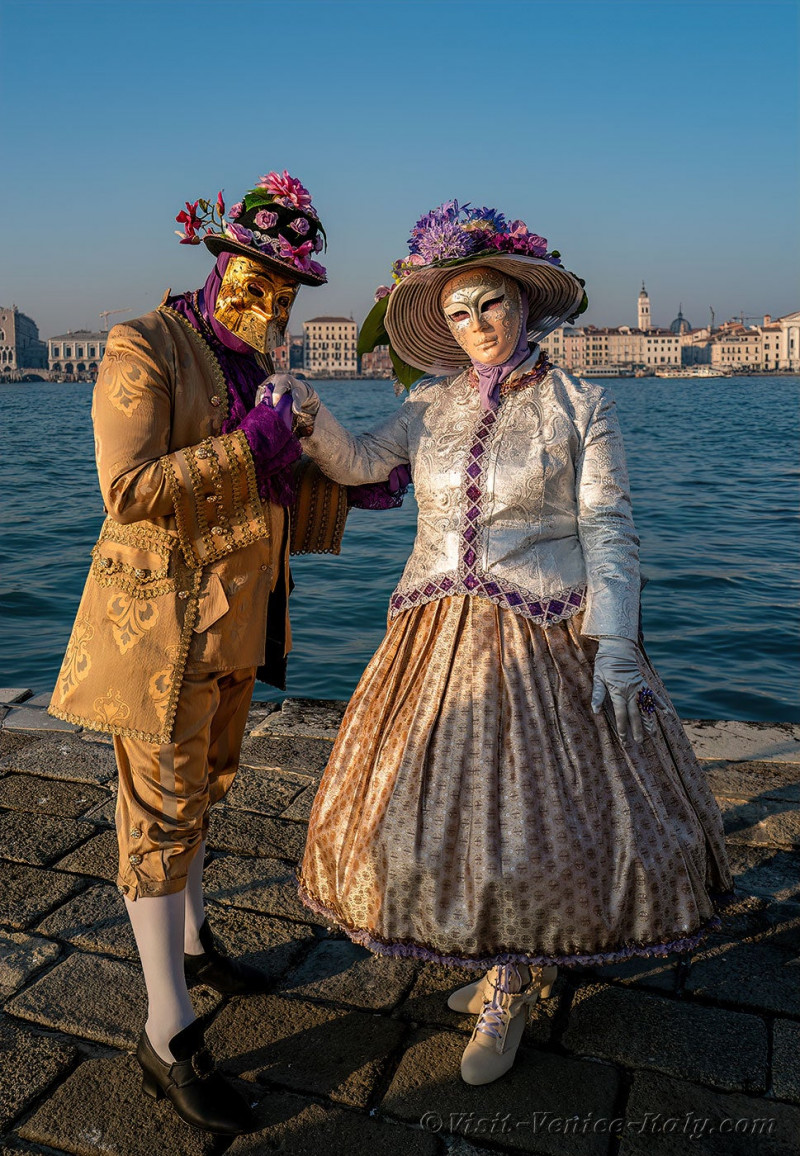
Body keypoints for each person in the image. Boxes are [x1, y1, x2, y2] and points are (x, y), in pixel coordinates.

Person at [269, 200, 735, 1087]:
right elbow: (364, 463)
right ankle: (493, 957)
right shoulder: (427, 404)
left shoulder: (579, 404)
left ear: (524, 304)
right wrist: (306, 413)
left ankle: (509, 983)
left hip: (542, 630)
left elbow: (610, 530)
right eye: (456, 312)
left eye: (489, 304)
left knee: (527, 819)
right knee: (433, 812)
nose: (475, 325)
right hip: (432, 629)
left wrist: (618, 640)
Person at [48, 170, 406, 1135]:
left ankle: (197, 943)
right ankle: (168, 1030)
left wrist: (351, 487)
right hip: (159, 631)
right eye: (263, 281)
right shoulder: (143, 345)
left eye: (290, 289)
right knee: (158, 815)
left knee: (207, 787)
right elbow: (126, 491)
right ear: (222, 265)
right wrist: (252, 442)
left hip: (244, 620)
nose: (276, 305)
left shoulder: (264, 362)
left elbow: (272, 487)